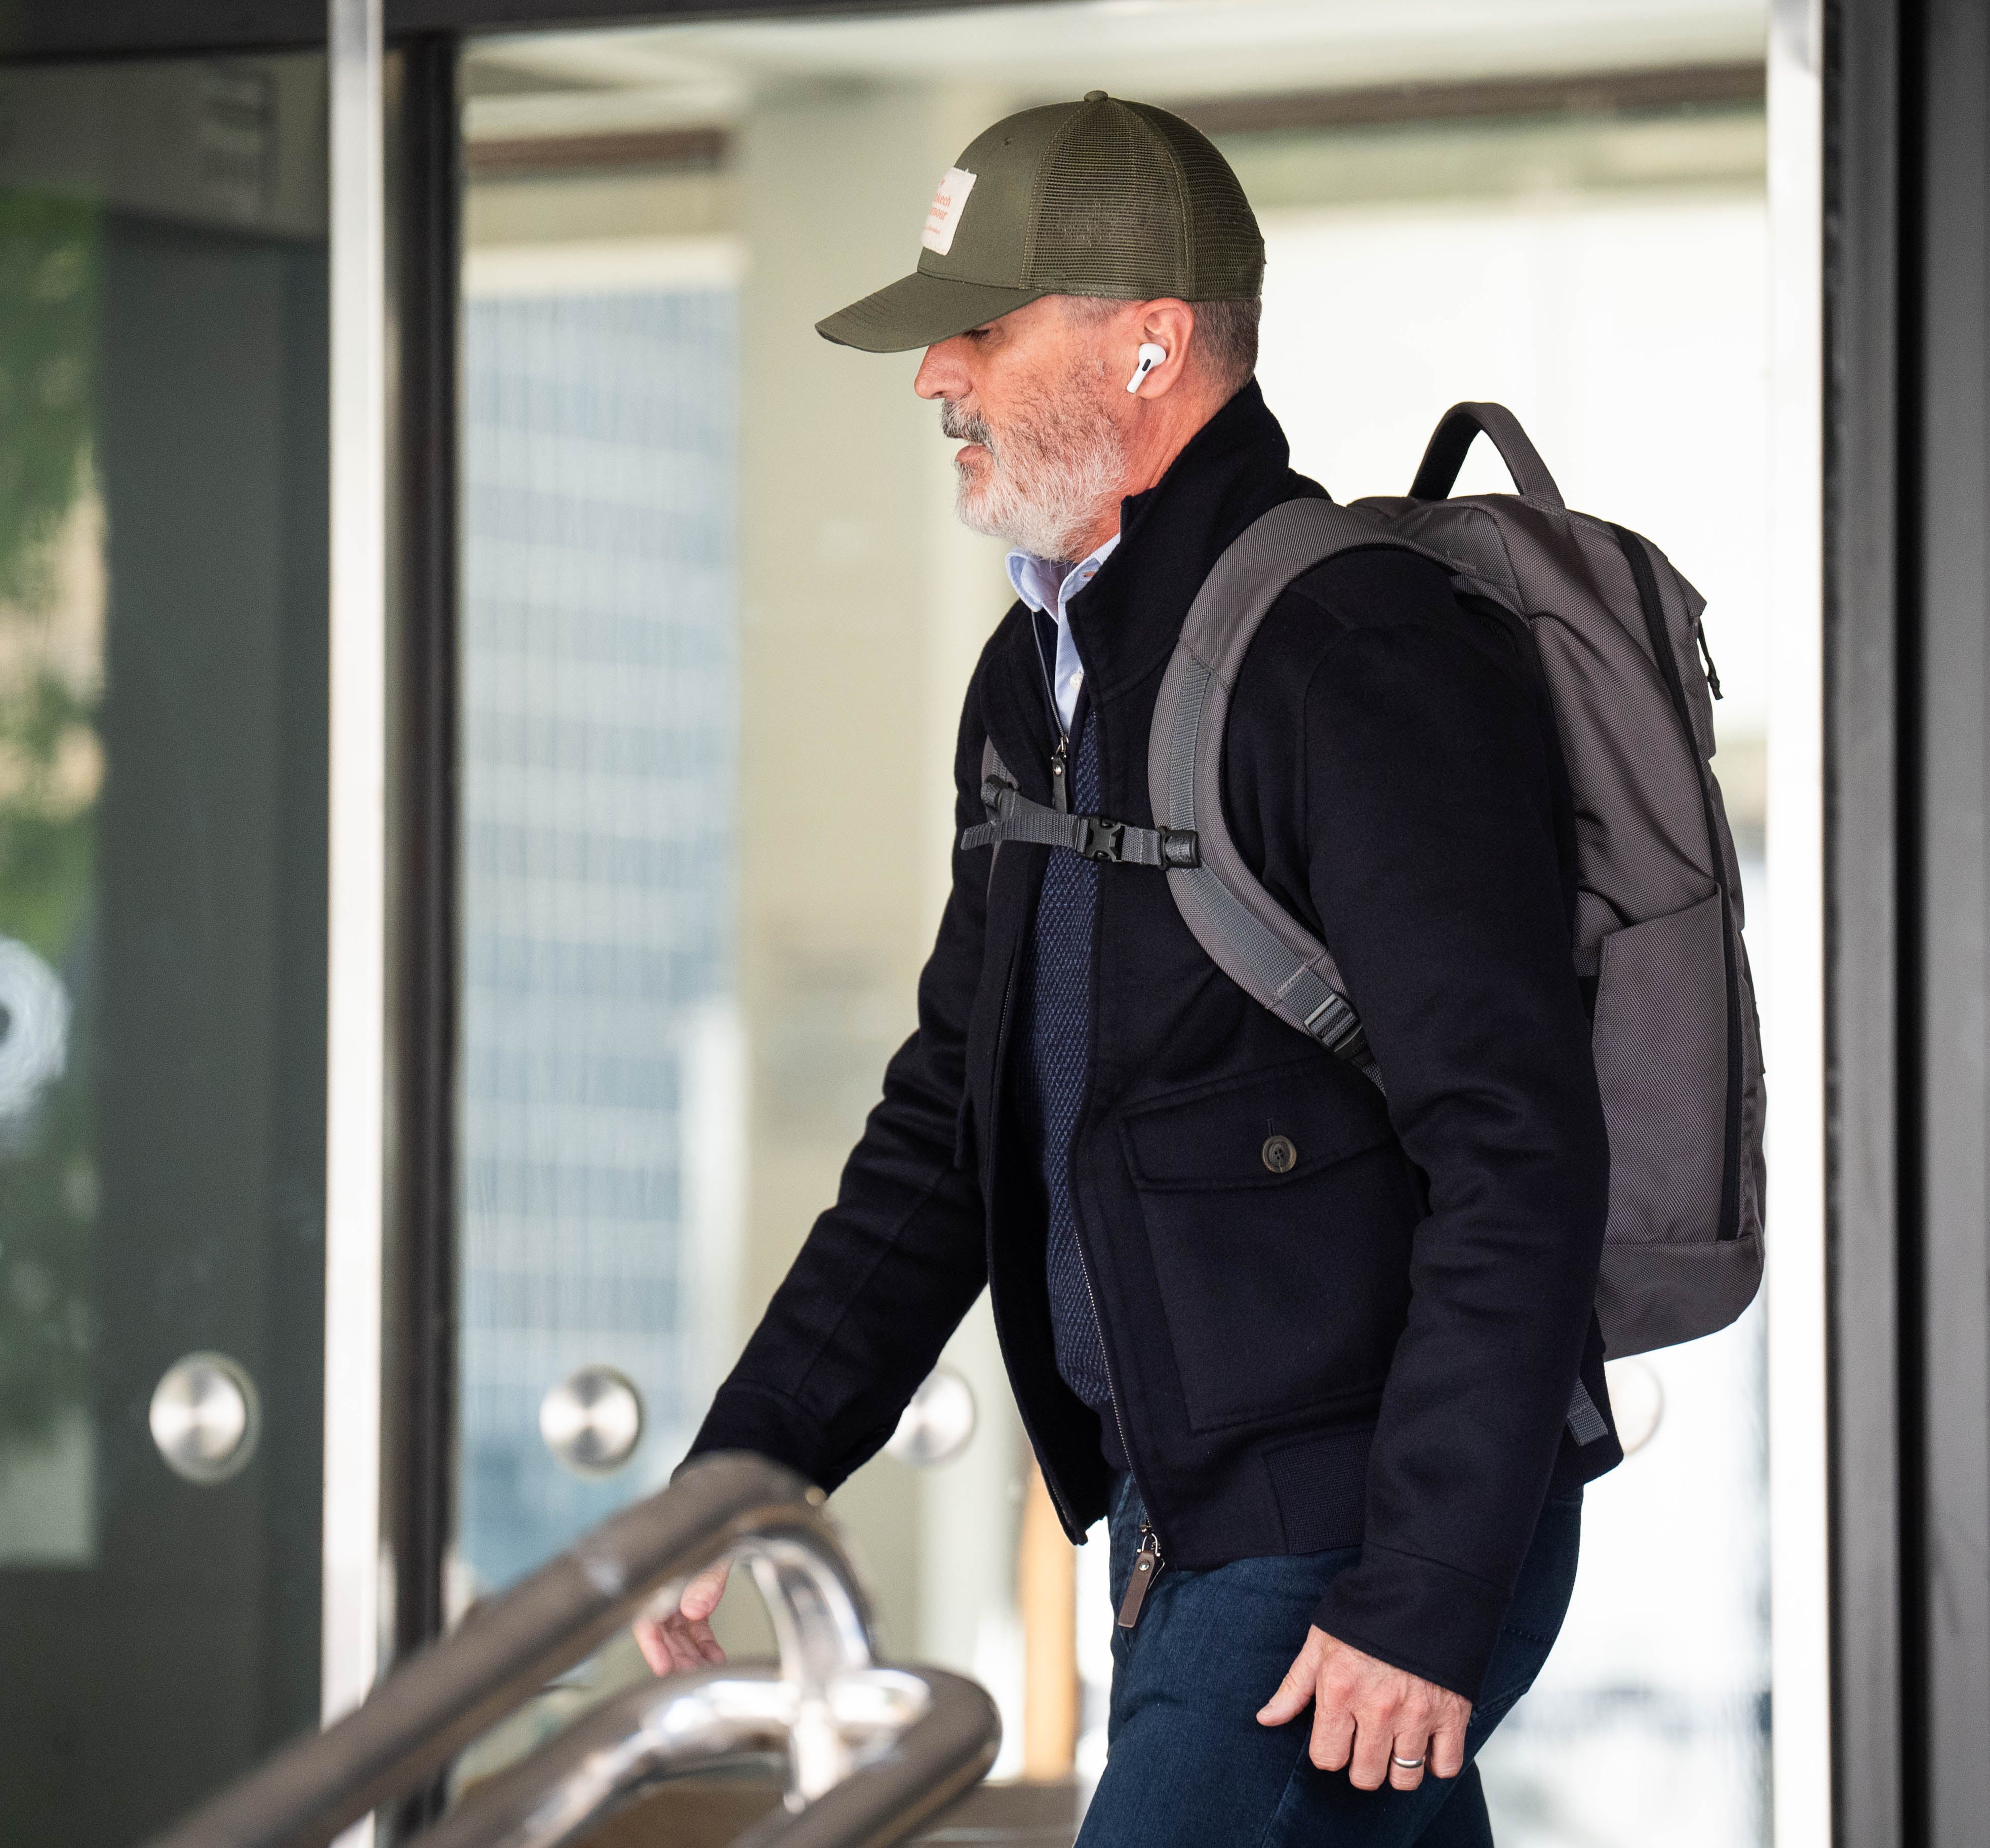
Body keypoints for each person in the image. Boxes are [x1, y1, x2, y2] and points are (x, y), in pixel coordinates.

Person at [634, 91, 1618, 1847]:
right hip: (1187, 1523)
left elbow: (1516, 1137)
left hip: (1345, 1541)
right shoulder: (1037, 682)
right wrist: (753, 1463)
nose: (936, 375)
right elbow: (951, 1118)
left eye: (982, 327)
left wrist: (1424, 1585)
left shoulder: (1353, 652)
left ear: (1152, 344)